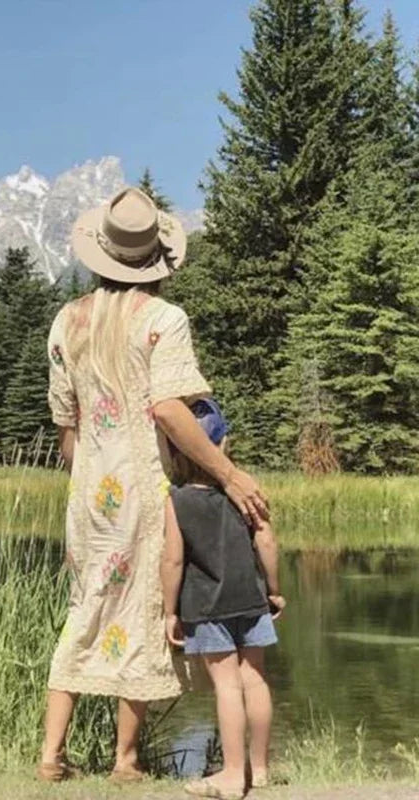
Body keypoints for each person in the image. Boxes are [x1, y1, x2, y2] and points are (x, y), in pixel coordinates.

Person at [39, 186, 269, 783]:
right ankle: (125, 760)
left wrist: (88, 477)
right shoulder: (164, 320)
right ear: (155, 262)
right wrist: (229, 474)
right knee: (140, 616)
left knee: (85, 609)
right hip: (143, 488)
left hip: (89, 493)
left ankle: (50, 755)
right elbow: (170, 409)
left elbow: (68, 426)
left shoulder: (67, 321)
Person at [160, 398, 285, 799]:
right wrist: (274, 589)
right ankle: (260, 768)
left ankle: (232, 775)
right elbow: (265, 539)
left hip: (206, 605)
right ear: (224, 444)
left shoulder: (177, 500)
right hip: (250, 598)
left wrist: (168, 611)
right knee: (255, 679)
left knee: (227, 685)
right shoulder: (244, 490)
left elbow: (173, 559)